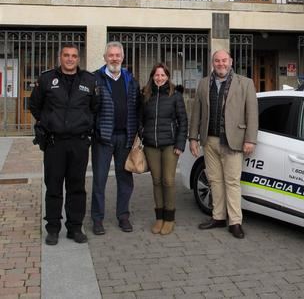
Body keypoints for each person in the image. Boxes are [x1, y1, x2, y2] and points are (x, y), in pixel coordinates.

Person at [30, 43, 98, 245]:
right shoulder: (47, 79)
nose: (70, 59)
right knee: (53, 186)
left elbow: (95, 108)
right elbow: (34, 105)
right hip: (54, 143)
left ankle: (75, 228)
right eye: (66, 55)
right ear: (60, 57)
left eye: (74, 56)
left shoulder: (89, 80)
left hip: (79, 143)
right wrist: (48, 121)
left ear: (79, 59)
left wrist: (85, 124)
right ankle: (52, 228)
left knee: (77, 187)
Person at [189, 49, 258, 239]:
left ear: (231, 61)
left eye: (224, 60)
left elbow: (252, 114)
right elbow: (197, 114)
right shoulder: (204, 83)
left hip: (233, 141)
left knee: (232, 182)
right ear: (213, 63)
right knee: (214, 181)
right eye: (217, 61)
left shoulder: (245, 83)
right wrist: (193, 138)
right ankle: (218, 217)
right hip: (209, 140)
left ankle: (235, 222)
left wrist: (250, 139)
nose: (221, 64)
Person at [91, 42, 140, 235]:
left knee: (125, 179)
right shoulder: (96, 78)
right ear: (105, 58)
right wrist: (94, 130)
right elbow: (90, 108)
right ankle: (97, 219)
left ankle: (123, 216)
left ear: (122, 57)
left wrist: (137, 132)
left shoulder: (130, 79)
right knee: (99, 180)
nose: (114, 58)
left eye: (117, 55)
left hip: (125, 138)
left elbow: (137, 107)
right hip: (103, 138)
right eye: (110, 55)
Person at [140, 63, 188, 235]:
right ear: (152, 76)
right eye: (156, 75)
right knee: (156, 181)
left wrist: (180, 144)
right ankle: (159, 218)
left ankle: (169, 219)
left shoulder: (175, 95)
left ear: (168, 77)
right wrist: (142, 133)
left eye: (163, 75)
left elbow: (183, 121)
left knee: (168, 181)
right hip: (151, 145)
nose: (159, 78)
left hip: (170, 145)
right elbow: (140, 118)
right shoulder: (146, 95)